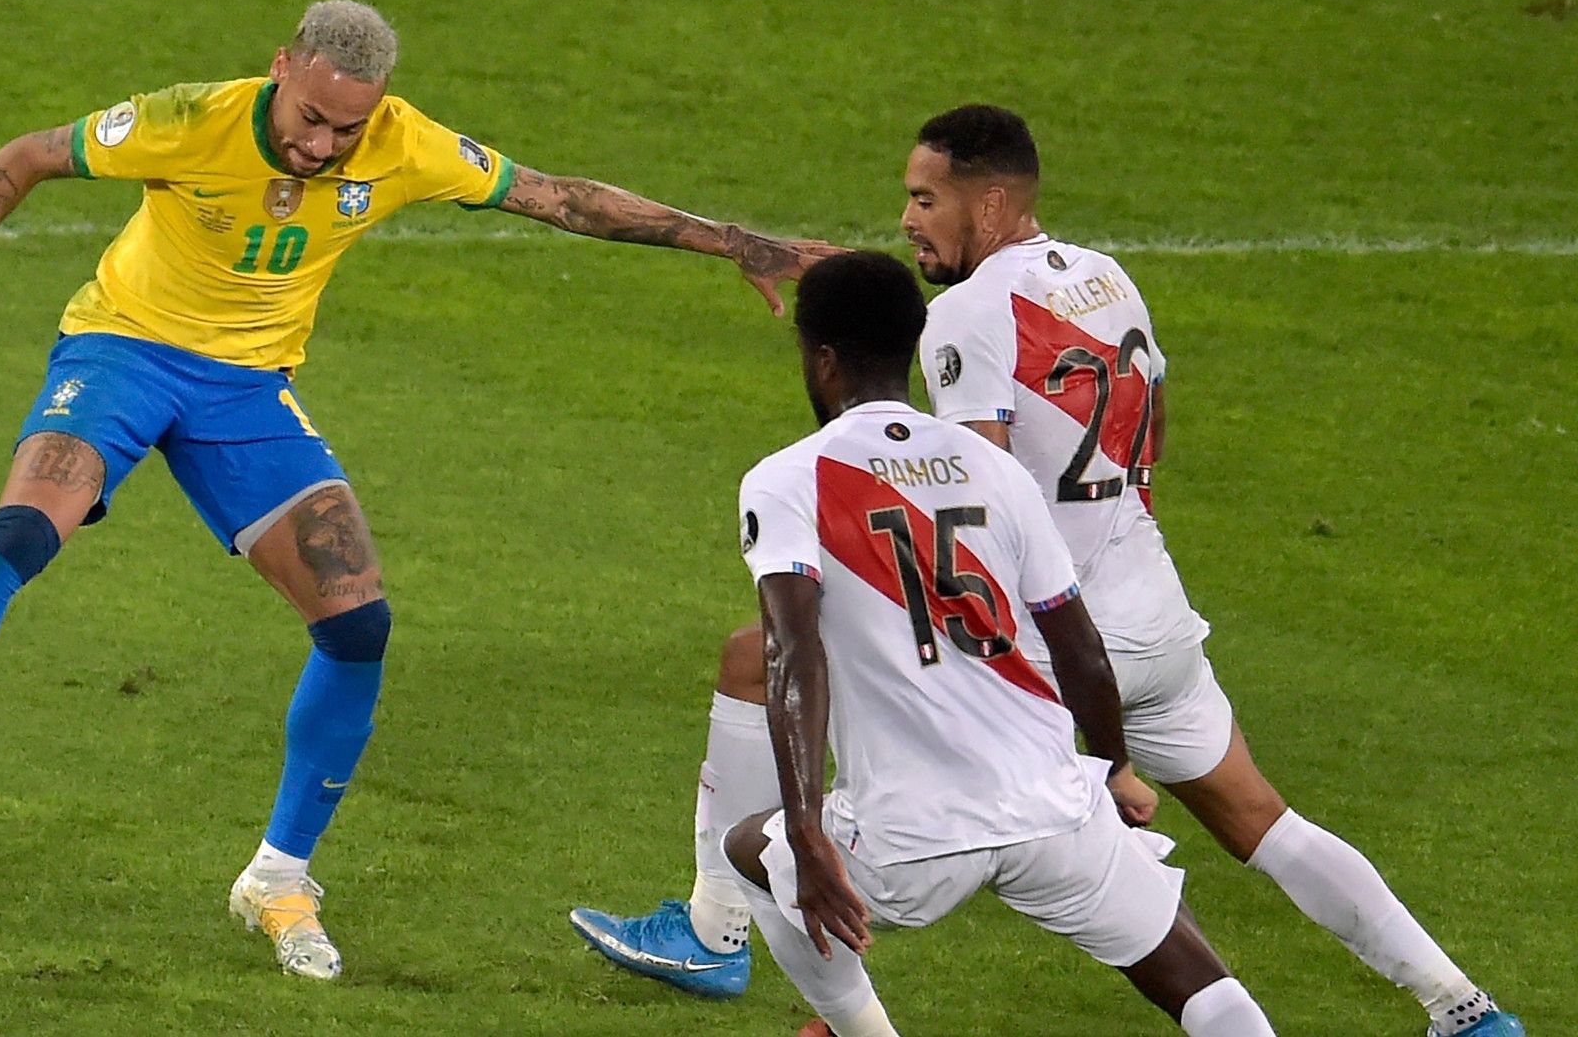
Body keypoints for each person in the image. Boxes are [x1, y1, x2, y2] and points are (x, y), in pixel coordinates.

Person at [0, 0, 837, 981]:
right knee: (22, 530)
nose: (323, 146)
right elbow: (28, 155)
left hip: (249, 395)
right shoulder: (191, 118)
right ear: (281, 71)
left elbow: (560, 197)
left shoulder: (403, 144)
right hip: (124, 352)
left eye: (347, 129)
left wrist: (732, 240)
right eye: (311, 119)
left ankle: (279, 879)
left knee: (359, 623)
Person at [573, 107, 1523, 1037]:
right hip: (1150, 604)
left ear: (988, 208)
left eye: (924, 199)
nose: (908, 220)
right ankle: (1461, 1004)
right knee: (1263, 822)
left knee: (778, 671)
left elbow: (964, 485)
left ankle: (723, 931)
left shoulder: (966, 315)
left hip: (1054, 634)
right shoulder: (1106, 279)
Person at [720, 250, 1276, 1035]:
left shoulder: (787, 478)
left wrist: (808, 835)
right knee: (1203, 984)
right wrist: (1113, 769)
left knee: (749, 847)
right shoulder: (995, 469)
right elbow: (1079, 647)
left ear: (821, 358)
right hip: (1052, 806)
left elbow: (792, 654)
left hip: (911, 837)